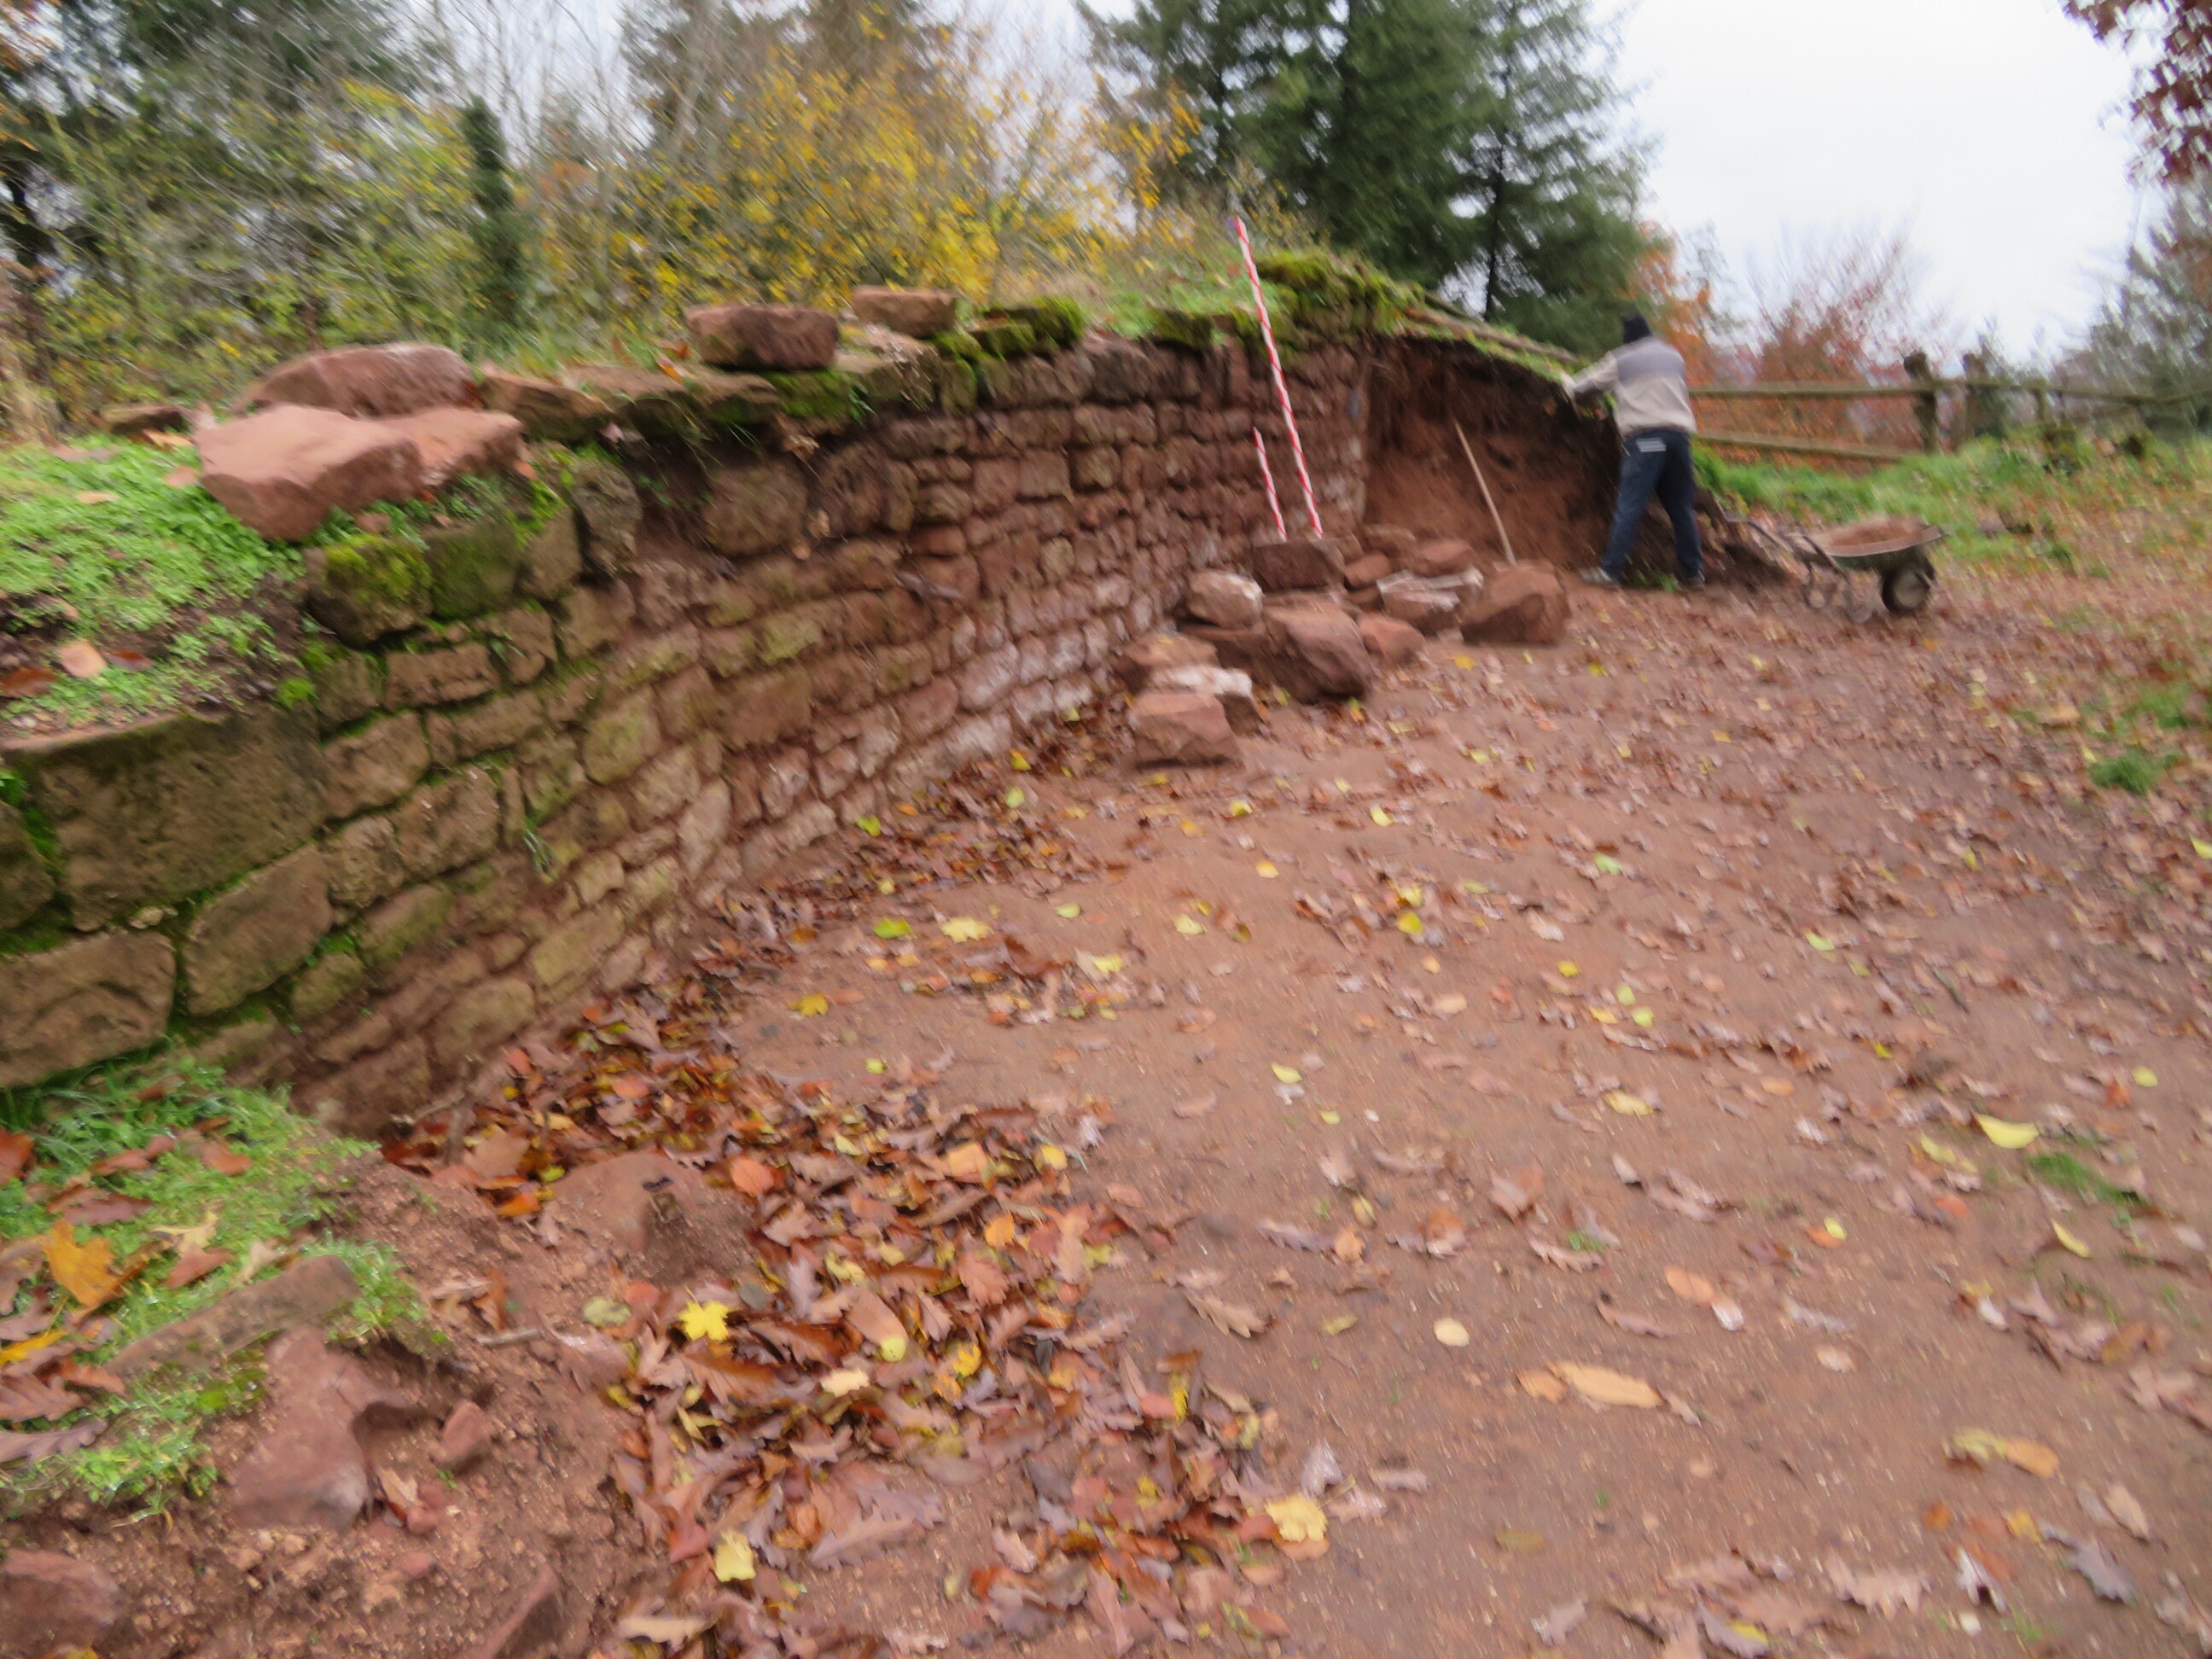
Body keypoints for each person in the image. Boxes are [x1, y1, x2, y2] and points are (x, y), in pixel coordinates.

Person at [1562, 312, 1704, 590]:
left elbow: (1583, 388)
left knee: (1630, 505)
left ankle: (1610, 572)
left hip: (1646, 439)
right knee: (1681, 507)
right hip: (1679, 438)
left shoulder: (1623, 358)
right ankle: (1693, 574)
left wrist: (1567, 384)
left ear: (1629, 340)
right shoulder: (1674, 357)